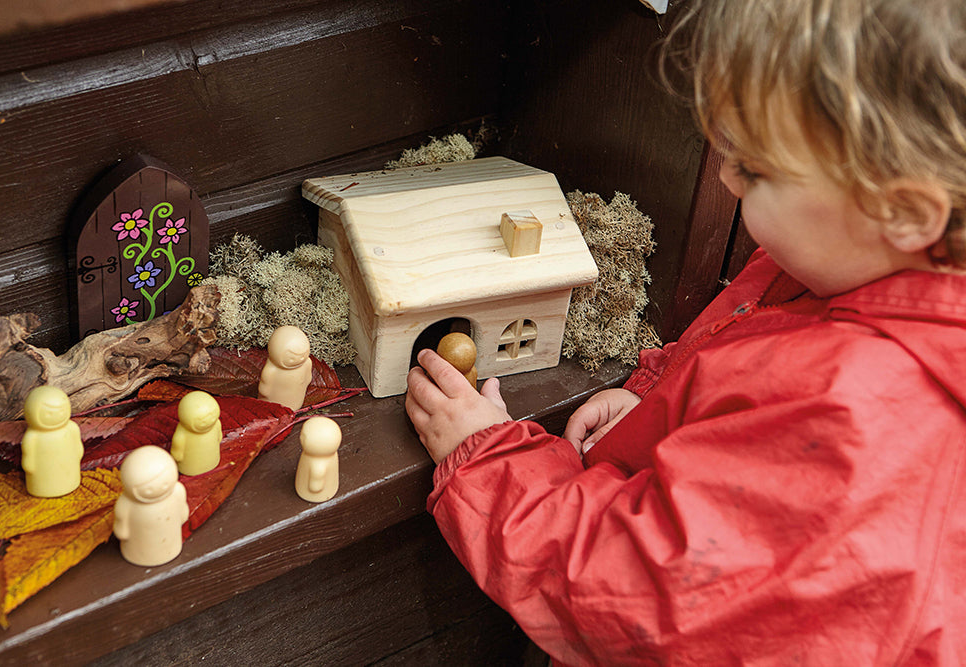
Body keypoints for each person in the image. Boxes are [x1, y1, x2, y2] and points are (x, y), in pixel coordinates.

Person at [404, 0, 966, 663]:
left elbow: (645, 601)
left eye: (755, 169)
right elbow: (762, 362)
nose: (726, 175)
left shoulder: (852, 413)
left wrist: (490, 462)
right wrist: (661, 407)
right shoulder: (867, 265)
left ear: (902, 209)